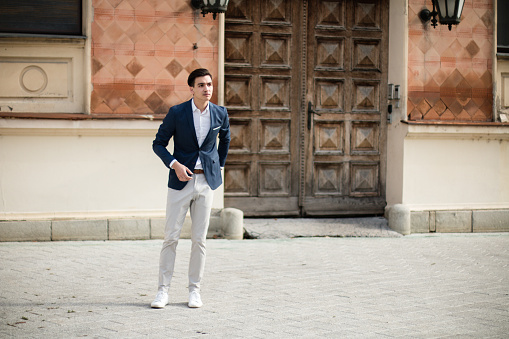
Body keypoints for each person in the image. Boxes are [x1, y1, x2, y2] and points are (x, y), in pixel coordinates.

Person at [151, 68, 230, 308]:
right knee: (171, 238)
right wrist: (174, 165)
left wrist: (217, 166)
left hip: (206, 183)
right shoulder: (177, 113)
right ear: (192, 89)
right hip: (180, 182)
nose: (207, 89)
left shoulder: (220, 113)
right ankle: (162, 291)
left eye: (209, 84)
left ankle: (195, 291)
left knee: (200, 240)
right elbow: (158, 144)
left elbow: (225, 139)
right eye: (202, 85)